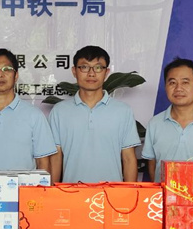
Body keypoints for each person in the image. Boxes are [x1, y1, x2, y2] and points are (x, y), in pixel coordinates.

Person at [48, 46, 140, 184]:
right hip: (71, 193)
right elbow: (55, 158)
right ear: (74, 71)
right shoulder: (59, 111)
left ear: (106, 72)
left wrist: (130, 194)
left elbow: (128, 158)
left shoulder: (123, 111)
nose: (91, 73)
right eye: (84, 67)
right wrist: (52, 193)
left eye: (98, 68)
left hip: (111, 194)